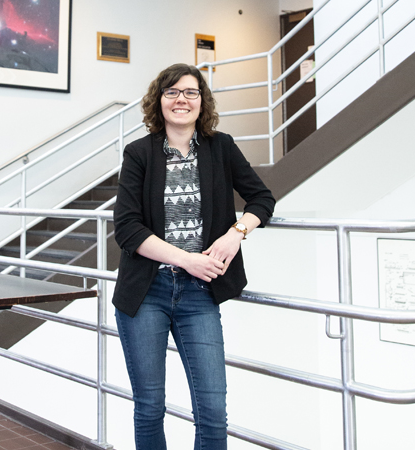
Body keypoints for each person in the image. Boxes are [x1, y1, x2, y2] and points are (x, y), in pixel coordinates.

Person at [112, 63, 275, 450]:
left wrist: (236, 234)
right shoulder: (139, 153)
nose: (181, 100)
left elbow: (262, 198)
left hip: (200, 295)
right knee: (150, 407)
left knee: (213, 412)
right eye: (172, 92)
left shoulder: (222, 147)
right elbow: (128, 229)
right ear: (159, 101)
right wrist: (187, 260)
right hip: (145, 293)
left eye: (190, 92)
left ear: (203, 102)